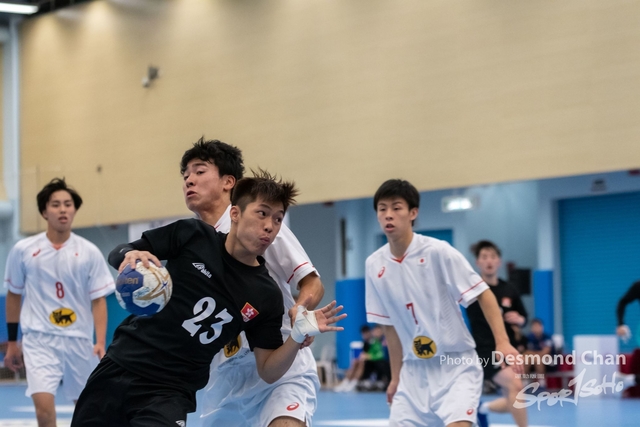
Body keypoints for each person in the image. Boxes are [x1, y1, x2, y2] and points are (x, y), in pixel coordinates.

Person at [70, 171, 346, 427]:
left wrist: (296, 337)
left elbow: (268, 370)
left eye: (277, 219)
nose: (269, 227)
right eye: (262, 214)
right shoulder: (192, 235)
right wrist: (128, 256)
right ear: (235, 213)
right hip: (121, 364)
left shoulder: (266, 295)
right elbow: (120, 253)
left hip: (171, 390)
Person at [180, 138, 326, 427]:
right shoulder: (193, 243)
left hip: (280, 365)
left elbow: (312, 283)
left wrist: (300, 309)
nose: (189, 180)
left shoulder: (259, 224)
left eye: (199, 171)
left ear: (228, 182)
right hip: (226, 378)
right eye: (185, 175)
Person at [364, 179, 522, 427]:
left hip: (456, 366)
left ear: (413, 213)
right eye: (382, 209)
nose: (388, 215)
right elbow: (389, 327)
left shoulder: (438, 251)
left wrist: (502, 342)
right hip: (413, 372)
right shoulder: (374, 265)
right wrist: (395, 378)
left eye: (396, 207)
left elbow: (483, 293)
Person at [3, 178, 115, 427]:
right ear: (44, 212)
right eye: (55, 205)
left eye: (68, 204)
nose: (63, 209)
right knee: (44, 411)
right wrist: (12, 343)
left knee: (89, 411)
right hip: (39, 339)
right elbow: (13, 295)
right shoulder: (23, 250)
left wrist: (99, 341)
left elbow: (98, 300)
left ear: (74, 210)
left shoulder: (89, 252)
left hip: (79, 340)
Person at [467, 240, 528, 427]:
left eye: (493, 257)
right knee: (516, 386)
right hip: (485, 350)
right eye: (484, 257)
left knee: (515, 396)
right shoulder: (471, 290)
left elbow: (524, 317)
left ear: (499, 262)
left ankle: (483, 409)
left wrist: (519, 319)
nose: (489, 261)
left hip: (508, 349)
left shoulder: (509, 289)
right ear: (477, 262)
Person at [335, 324, 390, 392]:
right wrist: (365, 356)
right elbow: (370, 352)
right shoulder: (371, 342)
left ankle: (354, 383)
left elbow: (380, 355)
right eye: (376, 331)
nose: (376, 333)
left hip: (380, 363)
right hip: (372, 362)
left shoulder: (382, 341)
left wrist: (368, 356)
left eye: (378, 331)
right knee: (356, 361)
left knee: (362, 362)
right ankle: (346, 381)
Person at [524, 318, 555, 388]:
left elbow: (545, 351)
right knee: (526, 359)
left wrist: (534, 355)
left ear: (542, 327)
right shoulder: (528, 338)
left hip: (549, 361)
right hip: (532, 361)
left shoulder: (547, 338)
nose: (536, 328)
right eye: (534, 326)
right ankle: (525, 381)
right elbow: (526, 352)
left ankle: (542, 383)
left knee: (538, 359)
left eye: (538, 326)